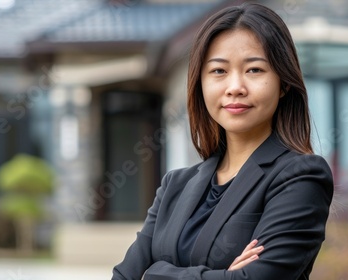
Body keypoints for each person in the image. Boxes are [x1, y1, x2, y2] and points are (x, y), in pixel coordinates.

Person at [112, 2, 334, 280]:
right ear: (200, 84)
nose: (235, 88)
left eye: (254, 70)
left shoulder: (301, 177)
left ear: (284, 84)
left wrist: (155, 273)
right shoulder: (175, 186)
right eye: (219, 71)